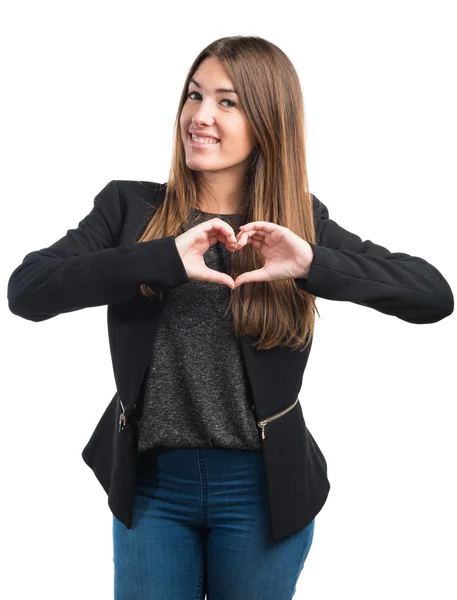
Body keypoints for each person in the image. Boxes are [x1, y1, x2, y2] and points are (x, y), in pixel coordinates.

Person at [7, 36, 454, 600]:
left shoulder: (299, 223)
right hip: (151, 489)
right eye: (194, 96)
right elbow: (27, 291)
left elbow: (433, 295)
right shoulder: (128, 207)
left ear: (268, 120)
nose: (199, 116)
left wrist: (312, 262)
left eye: (227, 102)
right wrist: (163, 256)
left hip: (261, 492)